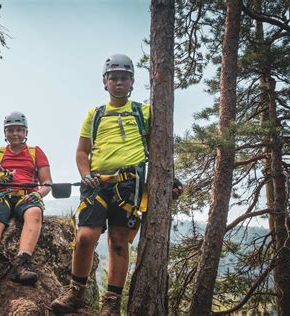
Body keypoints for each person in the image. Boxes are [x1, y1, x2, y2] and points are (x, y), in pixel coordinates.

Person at [51, 54, 182, 314]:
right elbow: (81, 151)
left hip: (128, 183)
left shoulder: (143, 112)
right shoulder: (95, 114)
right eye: (114, 78)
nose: (118, 83)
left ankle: (111, 303)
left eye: (124, 78)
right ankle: (75, 292)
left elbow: (159, 149)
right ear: (105, 82)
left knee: (119, 242)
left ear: (132, 82)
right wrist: (85, 172)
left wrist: (170, 179)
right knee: (85, 237)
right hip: (97, 182)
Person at [0, 111, 52, 289]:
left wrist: (38, 194)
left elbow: (47, 183)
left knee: (35, 213)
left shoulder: (35, 152)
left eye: (19, 130)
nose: (15, 134)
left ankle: (22, 263)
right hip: (2, 196)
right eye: (11, 130)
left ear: (26, 132)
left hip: (27, 195)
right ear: (5, 133)